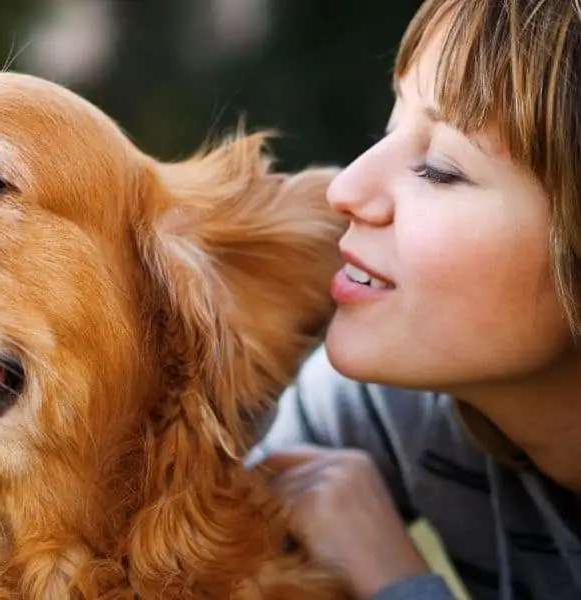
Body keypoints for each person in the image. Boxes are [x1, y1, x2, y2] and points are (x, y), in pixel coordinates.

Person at [245, 1, 581, 599]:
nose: (344, 188)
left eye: (441, 168)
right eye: (390, 128)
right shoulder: (395, 406)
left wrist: (398, 586)